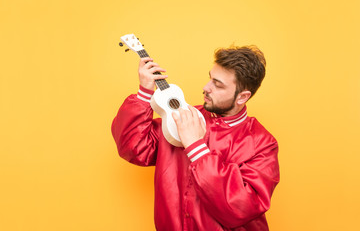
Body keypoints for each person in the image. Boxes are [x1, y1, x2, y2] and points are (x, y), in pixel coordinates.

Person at [111, 45, 280, 231]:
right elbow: (134, 147)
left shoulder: (263, 144)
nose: (206, 88)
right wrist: (145, 93)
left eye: (218, 84)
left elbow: (242, 207)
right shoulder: (183, 116)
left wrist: (196, 148)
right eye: (210, 78)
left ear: (242, 97)